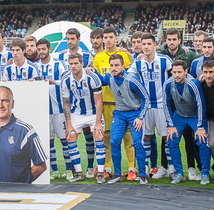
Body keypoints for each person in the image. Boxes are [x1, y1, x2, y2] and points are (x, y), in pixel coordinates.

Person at [0, 85, 48, 183]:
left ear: (12, 104)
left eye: (5, 100)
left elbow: (41, 166)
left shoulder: (26, 131)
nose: (0, 105)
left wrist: (21, 184)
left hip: (16, 194)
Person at [129, 33, 176, 179]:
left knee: (166, 137)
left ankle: (171, 169)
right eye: (144, 44)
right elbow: (127, 76)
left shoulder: (164, 60)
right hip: (146, 106)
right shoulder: (137, 63)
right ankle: (144, 169)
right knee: (146, 137)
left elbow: (176, 72)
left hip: (163, 105)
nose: (146, 47)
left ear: (155, 45)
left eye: (149, 44)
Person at [98, 54, 149, 185]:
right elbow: (102, 80)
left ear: (123, 66)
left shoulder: (132, 80)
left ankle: (142, 174)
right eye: (111, 66)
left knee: (137, 143)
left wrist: (140, 117)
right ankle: (117, 174)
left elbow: (146, 98)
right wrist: (91, 71)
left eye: (116, 65)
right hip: (120, 113)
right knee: (114, 141)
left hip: (135, 113)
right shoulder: (110, 77)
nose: (113, 68)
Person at [93, 27, 136, 180]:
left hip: (123, 104)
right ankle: (107, 168)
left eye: (111, 37)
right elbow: (98, 81)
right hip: (105, 103)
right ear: (102, 39)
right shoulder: (98, 58)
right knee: (107, 137)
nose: (108, 40)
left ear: (116, 38)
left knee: (128, 137)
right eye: (106, 37)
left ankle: (131, 168)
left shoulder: (125, 55)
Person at [61, 53, 106, 183]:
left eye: (76, 63)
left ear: (81, 63)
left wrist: (97, 123)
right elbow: (66, 103)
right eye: (71, 64)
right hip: (77, 113)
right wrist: (69, 124)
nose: (73, 66)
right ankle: (79, 172)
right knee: (70, 136)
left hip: (93, 112)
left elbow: (99, 102)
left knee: (98, 135)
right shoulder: (66, 79)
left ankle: (101, 173)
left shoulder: (92, 77)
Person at [164, 60, 209, 185]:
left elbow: (201, 105)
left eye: (179, 72)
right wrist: (170, 125)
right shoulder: (168, 83)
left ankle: (205, 173)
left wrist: (200, 126)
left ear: (186, 71)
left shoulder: (193, 84)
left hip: (195, 116)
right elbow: (166, 104)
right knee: (171, 139)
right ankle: (179, 173)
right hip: (179, 116)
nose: (176, 75)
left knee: (202, 141)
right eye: (174, 72)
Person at [35, 38, 72, 179]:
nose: (41, 52)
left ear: (49, 49)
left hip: (59, 110)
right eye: (39, 50)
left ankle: (69, 169)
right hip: (44, 111)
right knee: (48, 142)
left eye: (43, 49)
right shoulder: (35, 66)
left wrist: (53, 82)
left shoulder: (58, 64)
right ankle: (54, 170)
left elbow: (66, 81)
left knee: (64, 140)